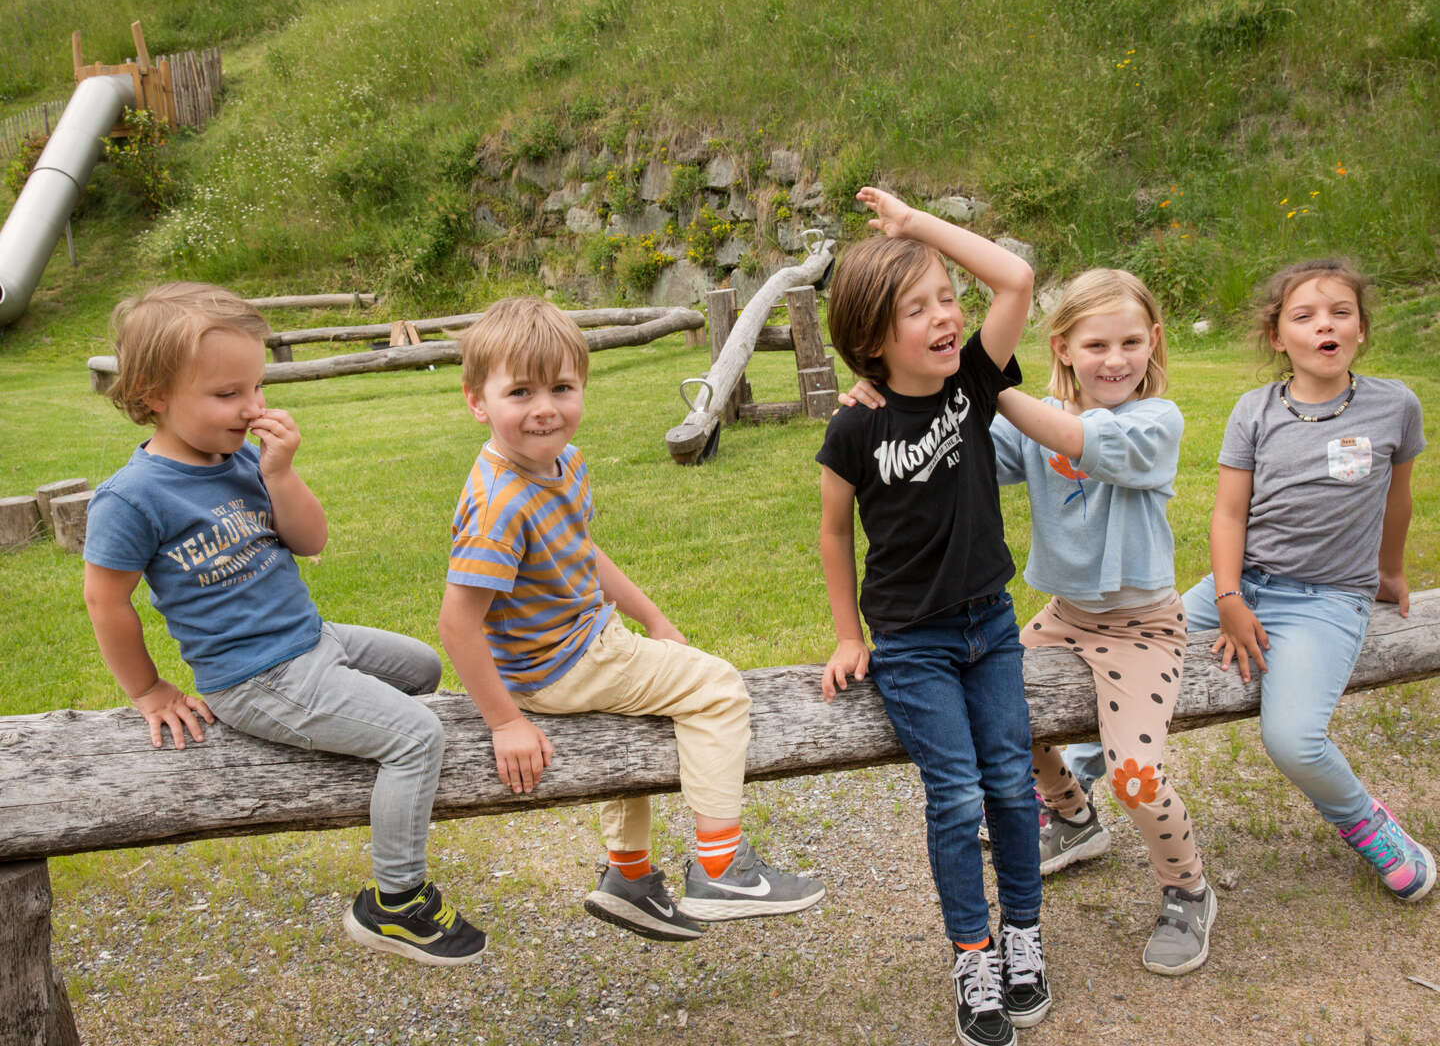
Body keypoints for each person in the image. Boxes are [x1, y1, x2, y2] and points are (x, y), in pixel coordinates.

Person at [82, 282, 487, 966]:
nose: (253, 407)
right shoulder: (132, 498)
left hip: (312, 640)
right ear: (153, 393)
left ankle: (357, 731)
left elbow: (310, 540)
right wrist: (149, 690)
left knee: (421, 667)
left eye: (258, 387)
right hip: (256, 679)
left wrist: (281, 472)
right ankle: (395, 903)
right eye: (226, 394)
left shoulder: (243, 458)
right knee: (418, 736)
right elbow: (105, 601)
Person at [437, 296, 824, 944]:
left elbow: (581, 551)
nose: (545, 408)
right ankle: (721, 866)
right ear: (477, 401)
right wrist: (506, 722)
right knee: (719, 689)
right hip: (559, 664)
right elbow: (457, 625)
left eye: (562, 387)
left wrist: (651, 616)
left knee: (639, 718)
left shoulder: (561, 464)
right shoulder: (500, 502)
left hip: (577, 643)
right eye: (520, 392)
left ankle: (629, 877)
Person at [818, 187, 1048, 1046]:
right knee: (955, 800)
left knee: (1011, 788)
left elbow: (1017, 279)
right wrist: (849, 634)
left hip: (992, 627)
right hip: (912, 645)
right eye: (919, 309)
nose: (947, 316)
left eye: (947, 298)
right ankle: (974, 954)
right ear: (874, 342)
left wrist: (916, 229)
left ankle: (1024, 936)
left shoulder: (976, 381)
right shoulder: (855, 427)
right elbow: (834, 532)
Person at [1182, 259, 1433, 902]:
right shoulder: (1254, 409)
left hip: (1326, 601)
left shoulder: (1394, 405)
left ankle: (1369, 825)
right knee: (1133, 645)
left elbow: (1397, 500)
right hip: (1239, 584)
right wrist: (1230, 597)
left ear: (1360, 329)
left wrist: (1390, 570)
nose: (1325, 324)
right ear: (1278, 337)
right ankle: (1073, 790)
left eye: (1340, 312)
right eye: (1305, 315)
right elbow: (1228, 513)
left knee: (1292, 738)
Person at [987, 268, 1214, 975]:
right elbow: (975, 455)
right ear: (1062, 348)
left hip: (1143, 629)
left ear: (1155, 342)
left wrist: (985, 383)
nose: (1115, 360)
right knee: (992, 709)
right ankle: (1072, 816)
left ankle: (1189, 889)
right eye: (1095, 345)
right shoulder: (1034, 419)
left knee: (1138, 777)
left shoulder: (1156, 421)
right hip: (1064, 618)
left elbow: (1085, 439)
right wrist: (890, 409)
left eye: (1130, 342)